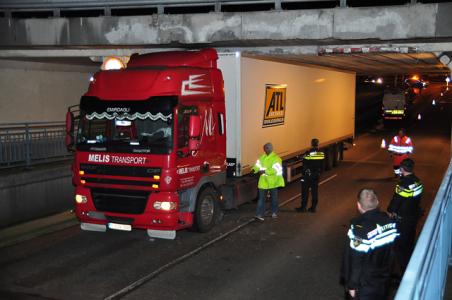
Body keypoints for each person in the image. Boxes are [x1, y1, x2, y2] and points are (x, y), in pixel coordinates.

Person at [341, 189, 399, 300]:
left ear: (358, 205)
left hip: (367, 283)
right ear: (377, 202)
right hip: (385, 278)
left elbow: (356, 261)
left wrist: (352, 286)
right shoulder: (390, 221)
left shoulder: (360, 230)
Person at [387, 158, 423, 273]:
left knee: (400, 248)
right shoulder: (418, 181)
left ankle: (404, 273)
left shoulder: (403, 184)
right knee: (409, 244)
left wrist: (390, 210)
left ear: (402, 169)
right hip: (413, 217)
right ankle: (408, 266)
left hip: (403, 220)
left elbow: (396, 201)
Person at [252, 143, 285, 221]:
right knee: (261, 199)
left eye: (266, 148)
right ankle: (259, 214)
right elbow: (257, 165)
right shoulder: (262, 157)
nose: (265, 149)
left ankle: (274, 212)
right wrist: (254, 170)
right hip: (263, 181)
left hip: (273, 181)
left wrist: (264, 171)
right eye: (264, 148)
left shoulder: (276, 158)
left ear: (270, 149)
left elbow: (275, 170)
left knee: (274, 198)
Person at [295, 138, 325, 213]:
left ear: (311, 144)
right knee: (314, 192)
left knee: (305, 191)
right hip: (316, 175)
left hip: (307, 175)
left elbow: (304, 163)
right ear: (318, 144)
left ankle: (303, 207)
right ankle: (313, 208)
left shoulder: (308, 153)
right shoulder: (321, 153)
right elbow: (322, 164)